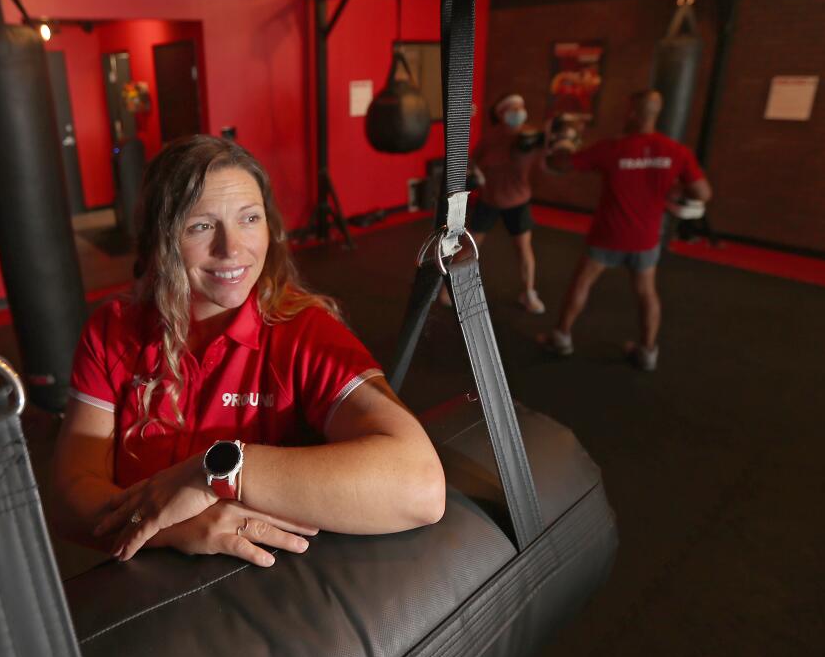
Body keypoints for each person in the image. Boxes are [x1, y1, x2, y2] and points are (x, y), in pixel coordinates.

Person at [54, 135, 446, 568]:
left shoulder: (302, 331)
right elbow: (74, 487)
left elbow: (420, 486)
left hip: (258, 599)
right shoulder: (113, 329)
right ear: (158, 240)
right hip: (136, 591)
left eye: (249, 218)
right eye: (201, 226)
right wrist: (174, 531)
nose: (233, 248)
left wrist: (214, 473)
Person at [540, 90, 712, 371]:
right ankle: (647, 352)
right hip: (645, 239)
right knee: (647, 292)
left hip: (608, 235)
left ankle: (561, 338)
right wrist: (674, 191)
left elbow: (560, 163)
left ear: (633, 113)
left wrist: (564, 139)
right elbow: (703, 193)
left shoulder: (612, 149)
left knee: (582, 283)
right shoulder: (677, 152)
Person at [448, 93, 547, 313]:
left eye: (520, 107)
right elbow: (472, 162)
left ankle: (529, 293)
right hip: (490, 200)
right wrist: (477, 172)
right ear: (501, 114)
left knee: (523, 249)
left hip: (518, 201)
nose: (518, 112)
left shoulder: (530, 136)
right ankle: (449, 289)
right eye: (513, 109)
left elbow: (548, 159)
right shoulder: (491, 138)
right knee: (468, 247)